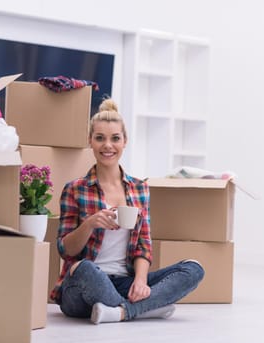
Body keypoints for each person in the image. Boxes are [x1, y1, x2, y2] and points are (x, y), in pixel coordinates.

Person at [50, 98, 205, 324]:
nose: (107, 146)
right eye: (100, 138)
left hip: (125, 282)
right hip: (82, 288)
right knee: (84, 268)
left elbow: (144, 244)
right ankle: (145, 309)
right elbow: (65, 249)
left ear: (125, 142)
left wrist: (140, 281)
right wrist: (90, 223)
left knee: (193, 269)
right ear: (90, 142)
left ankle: (120, 312)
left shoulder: (140, 189)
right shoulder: (75, 189)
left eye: (115, 138)